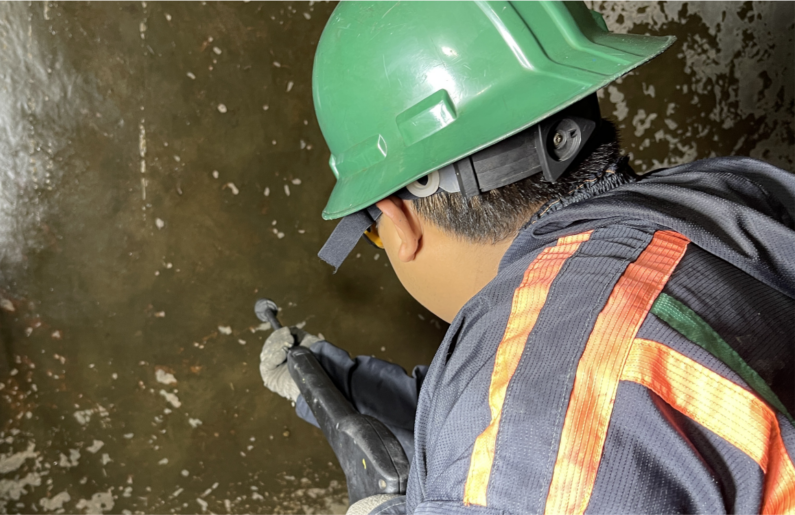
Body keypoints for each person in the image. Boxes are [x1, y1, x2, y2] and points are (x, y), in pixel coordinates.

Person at [258, 2, 795, 514]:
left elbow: (543, 417)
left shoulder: (543, 418)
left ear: (396, 222)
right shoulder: (725, 199)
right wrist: (353, 390)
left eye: (371, 234)